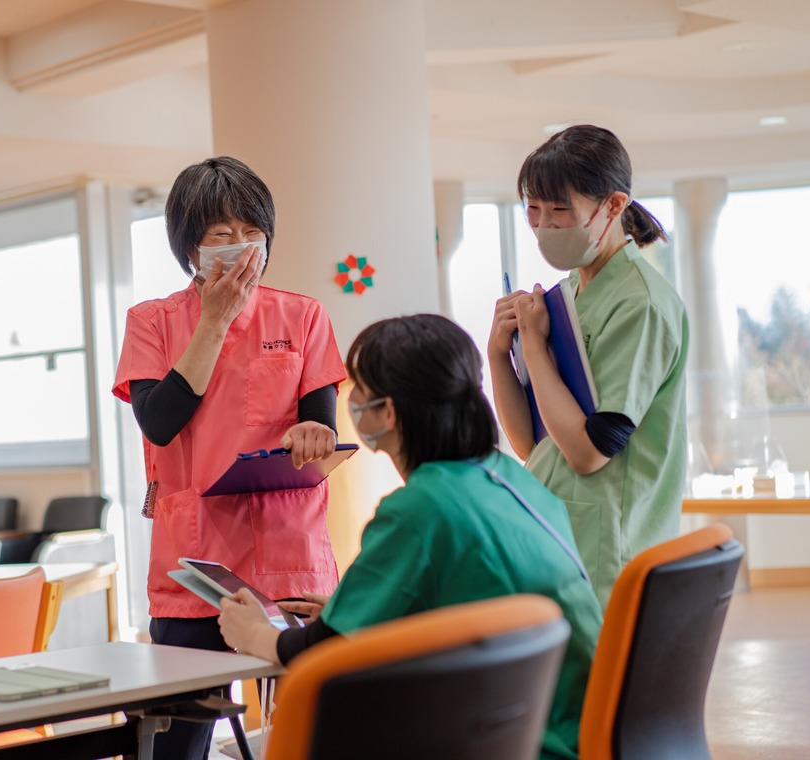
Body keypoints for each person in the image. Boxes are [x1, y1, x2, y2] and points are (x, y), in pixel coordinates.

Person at [219, 314, 602, 760]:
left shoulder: (419, 509)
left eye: (359, 389)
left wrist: (257, 634)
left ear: (388, 412)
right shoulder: (512, 480)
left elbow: (322, 653)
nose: (352, 403)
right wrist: (356, 611)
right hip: (576, 729)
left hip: (525, 739)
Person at [111, 156, 346, 760]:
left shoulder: (303, 315)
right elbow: (160, 423)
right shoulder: (152, 322)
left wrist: (314, 434)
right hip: (195, 567)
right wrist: (213, 320)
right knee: (176, 741)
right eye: (222, 237)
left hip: (287, 560)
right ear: (190, 249)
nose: (240, 248)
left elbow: (319, 420)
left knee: (310, 736)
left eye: (252, 234)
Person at [488, 125, 689, 608]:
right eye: (534, 211)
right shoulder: (569, 297)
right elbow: (530, 444)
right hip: (562, 528)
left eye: (560, 210)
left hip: (609, 544)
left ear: (614, 206)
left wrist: (535, 348)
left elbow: (589, 452)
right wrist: (498, 351)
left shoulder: (640, 302)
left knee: (597, 682)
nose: (545, 226)